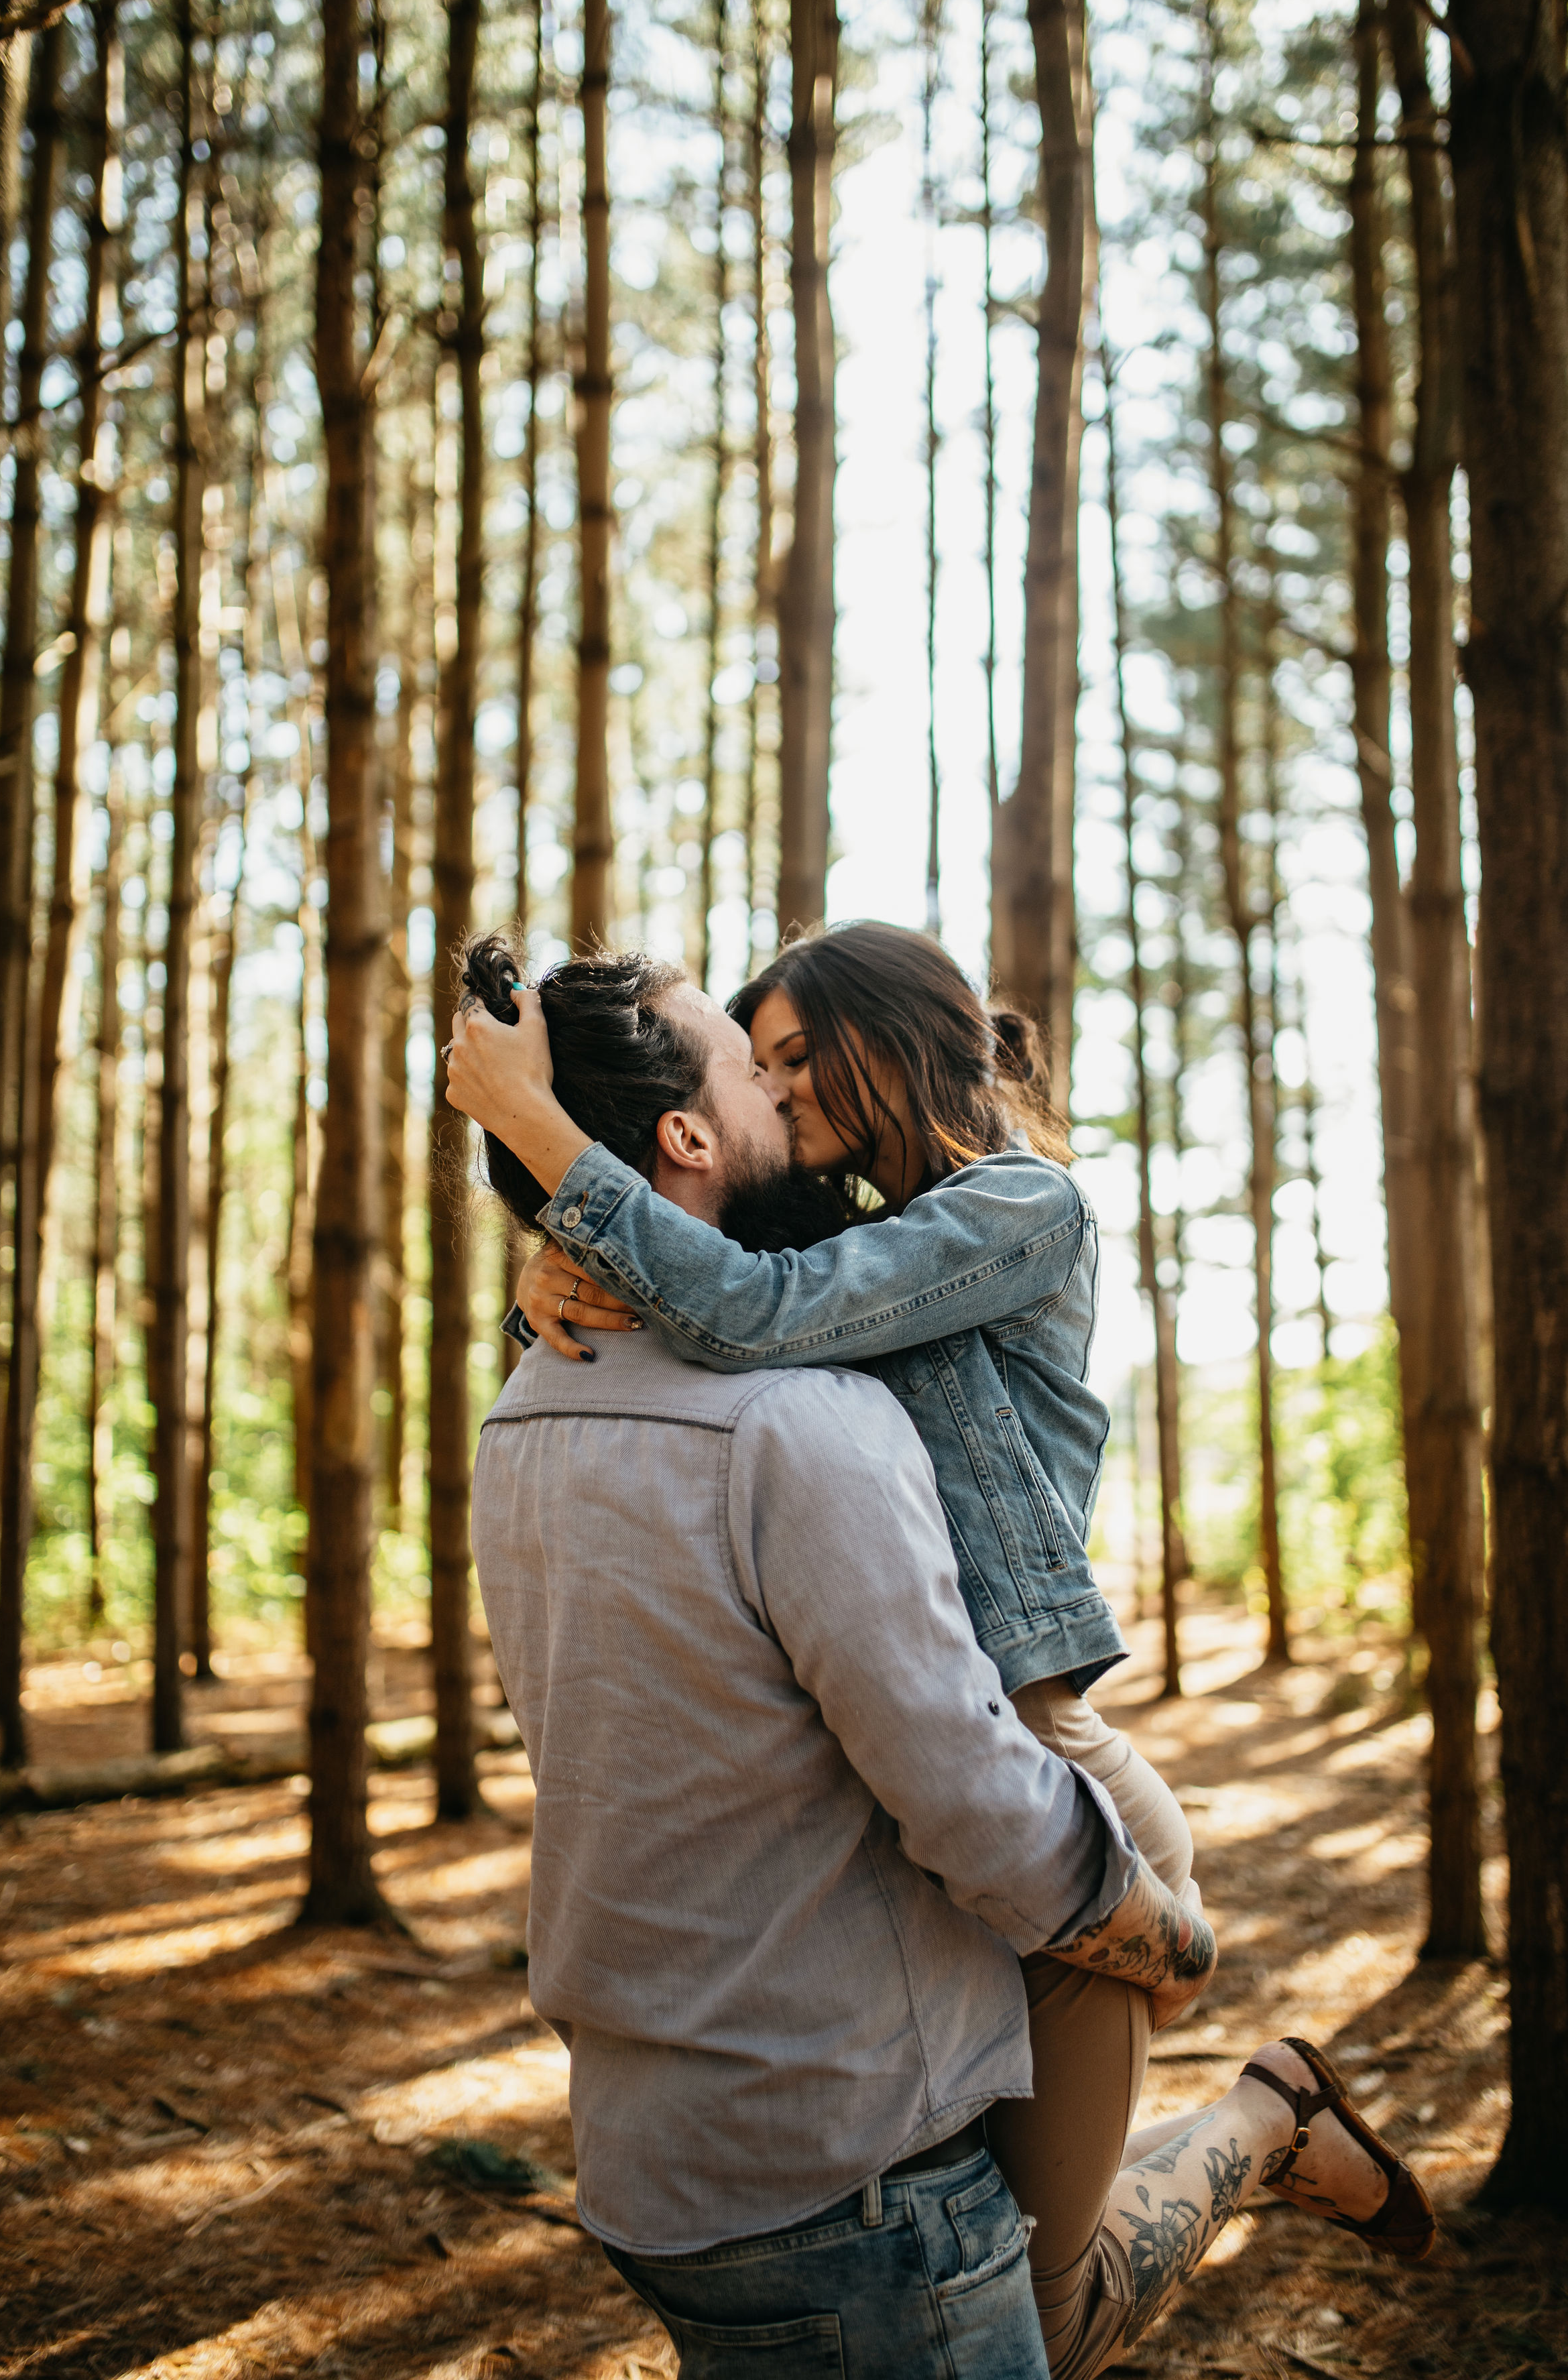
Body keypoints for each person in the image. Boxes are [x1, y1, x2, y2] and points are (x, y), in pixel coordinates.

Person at [455, 937, 1435, 2380]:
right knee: (1045, 2308)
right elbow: (697, 1288)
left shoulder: (1019, 1208)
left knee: (1049, 2311)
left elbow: (749, 1312)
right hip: (963, 1819)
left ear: (892, 1045)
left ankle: (1266, 2117)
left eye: (795, 1058)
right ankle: (1277, 2117)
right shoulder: (819, 1243)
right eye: (758, 1065)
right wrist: (555, 1260)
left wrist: (544, 1141)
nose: (777, 1094)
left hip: (1052, 1774)